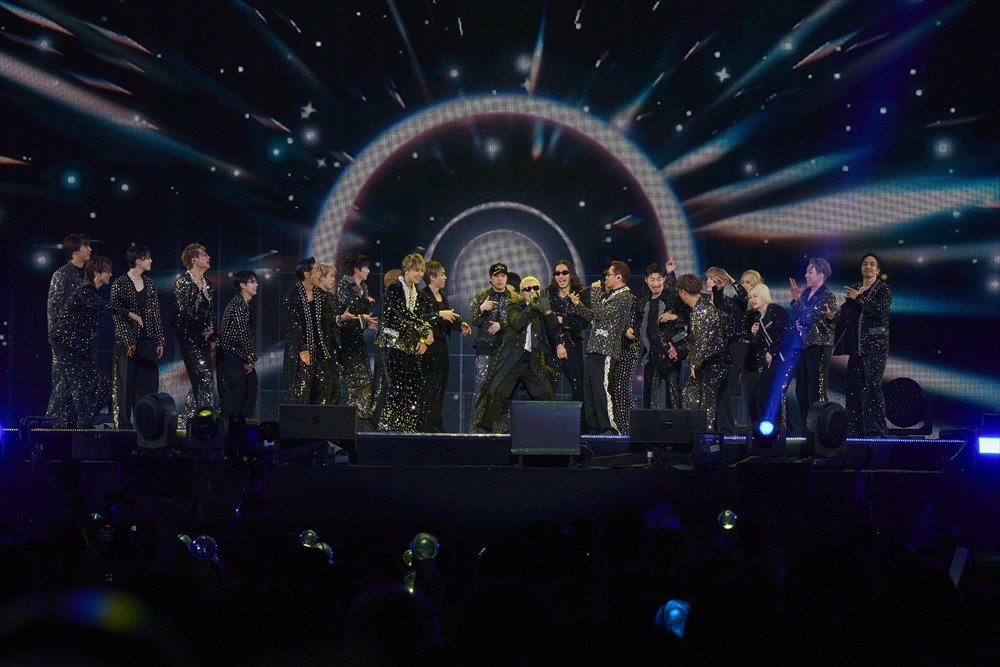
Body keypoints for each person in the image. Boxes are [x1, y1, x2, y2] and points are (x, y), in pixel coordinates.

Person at [51, 256, 143, 427]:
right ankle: (82, 425)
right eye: (107, 271)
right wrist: (130, 314)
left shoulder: (92, 291)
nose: (110, 274)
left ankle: (66, 422)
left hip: (78, 345)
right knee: (82, 383)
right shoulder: (85, 289)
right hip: (65, 343)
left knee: (91, 384)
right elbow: (103, 305)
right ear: (96, 273)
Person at [473, 276, 560, 433]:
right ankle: (483, 428)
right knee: (499, 392)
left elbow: (554, 326)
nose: (532, 291)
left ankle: (554, 431)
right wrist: (532, 307)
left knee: (545, 395)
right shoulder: (514, 306)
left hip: (533, 360)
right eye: (528, 289)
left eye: (535, 288)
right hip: (514, 359)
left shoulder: (541, 307)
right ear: (521, 293)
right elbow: (517, 323)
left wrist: (547, 311)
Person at [569, 261, 635, 435]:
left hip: (606, 350)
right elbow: (595, 318)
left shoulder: (625, 297)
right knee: (590, 390)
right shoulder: (610, 296)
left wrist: (596, 291)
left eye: (609, 275)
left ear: (618, 277)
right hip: (594, 347)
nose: (605, 278)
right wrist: (577, 305)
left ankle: (609, 427)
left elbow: (600, 313)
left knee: (601, 390)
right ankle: (594, 427)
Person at [372, 253, 433, 432]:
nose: (420, 274)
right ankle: (388, 424)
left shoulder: (415, 292)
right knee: (396, 385)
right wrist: (425, 329)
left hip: (405, 344)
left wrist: (423, 335)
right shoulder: (395, 288)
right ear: (406, 270)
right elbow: (402, 313)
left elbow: (421, 316)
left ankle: (407, 423)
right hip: (391, 342)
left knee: (415, 383)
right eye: (416, 270)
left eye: (421, 270)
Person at [834, 253, 892, 437]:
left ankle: (876, 433)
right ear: (861, 268)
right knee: (853, 390)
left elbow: (880, 311)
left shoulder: (884, 289)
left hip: (875, 348)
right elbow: (846, 315)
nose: (868, 266)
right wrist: (832, 317)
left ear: (878, 270)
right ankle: (854, 433)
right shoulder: (855, 287)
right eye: (865, 263)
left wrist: (859, 297)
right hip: (855, 348)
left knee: (871, 389)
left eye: (872, 264)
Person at [110, 244, 165, 429]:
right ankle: (124, 426)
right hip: (127, 344)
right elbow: (118, 315)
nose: (151, 261)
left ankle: (145, 425)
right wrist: (129, 341)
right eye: (147, 258)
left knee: (148, 384)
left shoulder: (150, 284)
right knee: (126, 384)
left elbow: (156, 314)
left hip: (148, 341)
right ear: (138, 261)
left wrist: (160, 340)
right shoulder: (120, 283)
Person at [46, 233, 92, 427]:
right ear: (75, 251)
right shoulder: (61, 275)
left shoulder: (88, 276)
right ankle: (51, 429)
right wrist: (58, 341)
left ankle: (75, 430)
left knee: (82, 388)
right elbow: (53, 311)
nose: (90, 249)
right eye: (86, 246)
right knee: (63, 387)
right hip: (64, 343)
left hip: (84, 343)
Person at [420, 260, 470, 432]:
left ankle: (436, 422)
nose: (445, 277)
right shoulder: (422, 296)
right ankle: (426, 424)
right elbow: (420, 318)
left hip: (441, 346)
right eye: (441, 274)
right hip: (428, 347)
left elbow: (448, 318)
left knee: (441, 384)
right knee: (430, 385)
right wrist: (439, 314)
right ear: (431, 277)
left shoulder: (442, 295)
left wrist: (460, 325)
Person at [789, 258, 838, 431]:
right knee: (800, 390)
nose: (806, 275)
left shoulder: (828, 296)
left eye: (810, 272)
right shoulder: (805, 294)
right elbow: (802, 318)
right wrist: (797, 323)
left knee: (816, 389)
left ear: (821, 275)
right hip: (803, 345)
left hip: (819, 345)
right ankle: (807, 428)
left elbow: (810, 317)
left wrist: (797, 300)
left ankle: (821, 430)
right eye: (806, 272)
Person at [630, 260, 685, 410]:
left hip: (670, 354)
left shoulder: (672, 297)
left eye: (659, 279)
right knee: (649, 397)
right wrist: (632, 330)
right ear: (646, 280)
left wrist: (674, 316)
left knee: (673, 395)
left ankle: (676, 424)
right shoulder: (642, 301)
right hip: (650, 355)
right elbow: (638, 322)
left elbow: (688, 317)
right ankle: (651, 425)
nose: (655, 283)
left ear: (664, 279)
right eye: (652, 279)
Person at [282, 257, 337, 405]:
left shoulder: (321, 295)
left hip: (319, 350)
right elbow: (292, 325)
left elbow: (327, 323)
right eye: (317, 270)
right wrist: (302, 349)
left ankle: (318, 418)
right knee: (300, 391)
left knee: (325, 383)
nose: (320, 274)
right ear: (307, 274)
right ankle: (300, 420)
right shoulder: (292, 295)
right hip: (299, 352)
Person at [677, 274, 729, 431]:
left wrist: (694, 363)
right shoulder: (698, 308)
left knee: (706, 400)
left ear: (683, 292)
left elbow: (703, 340)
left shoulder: (703, 309)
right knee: (691, 395)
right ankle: (696, 431)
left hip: (714, 362)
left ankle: (706, 434)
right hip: (706, 361)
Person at [174, 243, 217, 421]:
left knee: (200, 378)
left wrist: (212, 333)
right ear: (194, 260)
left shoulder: (208, 285)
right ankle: (205, 418)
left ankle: (189, 417)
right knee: (204, 376)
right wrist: (203, 329)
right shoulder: (183, 281)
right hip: (189, 337)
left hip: (204, 339)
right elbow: (184, 310)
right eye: (204, 254)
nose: (208, 257)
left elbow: (210, 312)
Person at [336, 254, 378, 422]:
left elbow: (360, 313)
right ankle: (341, 420)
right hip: (343, 341)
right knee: (341, 380)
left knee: (364, 379)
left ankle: (359, 419)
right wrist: (366, 304)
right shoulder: (344, 285)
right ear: (356, 269)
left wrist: (367, 323)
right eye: (366, 267)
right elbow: (350, 309)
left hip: (357, 339)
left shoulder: (364, 287)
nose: (368, 271)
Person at [748, 283, 795, 426]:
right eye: (750, 297)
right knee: (761, 393)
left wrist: (772, 350)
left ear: (763, 295)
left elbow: (787, 331)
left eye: (755, 296)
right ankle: (765, 428)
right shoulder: (759, 318)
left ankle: (781, 429)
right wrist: (754, 334)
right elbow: (758, 346)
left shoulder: (774, 309)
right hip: (773, 361)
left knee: (774, 394)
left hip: (784, 358)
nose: (752, 300)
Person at [545, 260, 589, 403]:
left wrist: (562, 320)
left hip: (573, 347)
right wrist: (558, 343)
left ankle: (579, 418)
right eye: (557, 273)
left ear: (571, 274)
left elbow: (583, 322)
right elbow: (546, 324)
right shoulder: (548, 295)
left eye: (564, 272)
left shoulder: (580, 295)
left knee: (579, 388)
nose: (561, 276)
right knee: (546, 389)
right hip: (553, 347)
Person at [217, 270, 259, 420]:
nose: (256, 285)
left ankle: (241, 424)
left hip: (239, 354)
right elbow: (243, 333)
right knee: (238, 389)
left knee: (251, 386)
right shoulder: (238, 304)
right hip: (231, 354)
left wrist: (248, 358)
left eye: (256, 281)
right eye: (252, 282)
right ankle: (227, 425)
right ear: (242, 285)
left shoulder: (243, 304)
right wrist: (250, 358)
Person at [705, 267, 742, 433]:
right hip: (705, 356)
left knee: (723, 394)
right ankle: (709, 430)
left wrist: (719, 290)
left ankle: (726, 431)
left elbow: (731, 329)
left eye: (713, 279)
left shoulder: (729, 303)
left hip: (725, 355)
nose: (708, 282)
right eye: (708, 279)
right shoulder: (702, 303)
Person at [470, 263, 514, 403]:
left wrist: (502, 325)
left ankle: (502, 419)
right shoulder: (481, 296)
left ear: (506, 278)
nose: (500, 279)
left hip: (507, 350)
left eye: (503, 276)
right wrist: (481, 309)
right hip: (485, 349)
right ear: (490, 279)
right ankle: (478, 418)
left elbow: (520, 322)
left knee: (504, 390)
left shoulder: (515, 299)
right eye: (496, 276)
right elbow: (473, 320)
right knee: (481, 388)